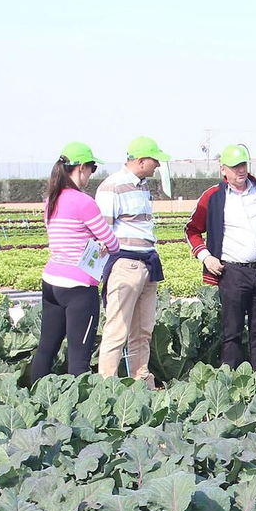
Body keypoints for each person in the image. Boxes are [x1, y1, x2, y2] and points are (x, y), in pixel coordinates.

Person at [184, 144, 256, 370]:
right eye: (235, 166)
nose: (241, 170)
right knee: (232, 332)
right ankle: (233, 379)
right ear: (222, 170)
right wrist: (206, 257)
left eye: (243, 165)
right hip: (232, 272)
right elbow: (191, 230)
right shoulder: (213, 197)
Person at [28, 142, 121, 380]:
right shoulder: (83, 202)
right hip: (78, 288)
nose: (91, 174)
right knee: (79, 361)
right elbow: (112, 243)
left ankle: (35, 401)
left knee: (46, 349)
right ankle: (80, 413)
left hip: (51, 282)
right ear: (81, 167)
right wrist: (99, 243)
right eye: (91, 168)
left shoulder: (52, 199)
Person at [95, 136, 168, 382]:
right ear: (140, 161)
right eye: (154, 160)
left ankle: (142, 381)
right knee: (117, 330)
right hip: (125, 264)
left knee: (143, 331)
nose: (157, 165)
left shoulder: (142, 185)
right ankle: (107, 384)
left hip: (147, 263)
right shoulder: (112, 186)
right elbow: (102, 232)